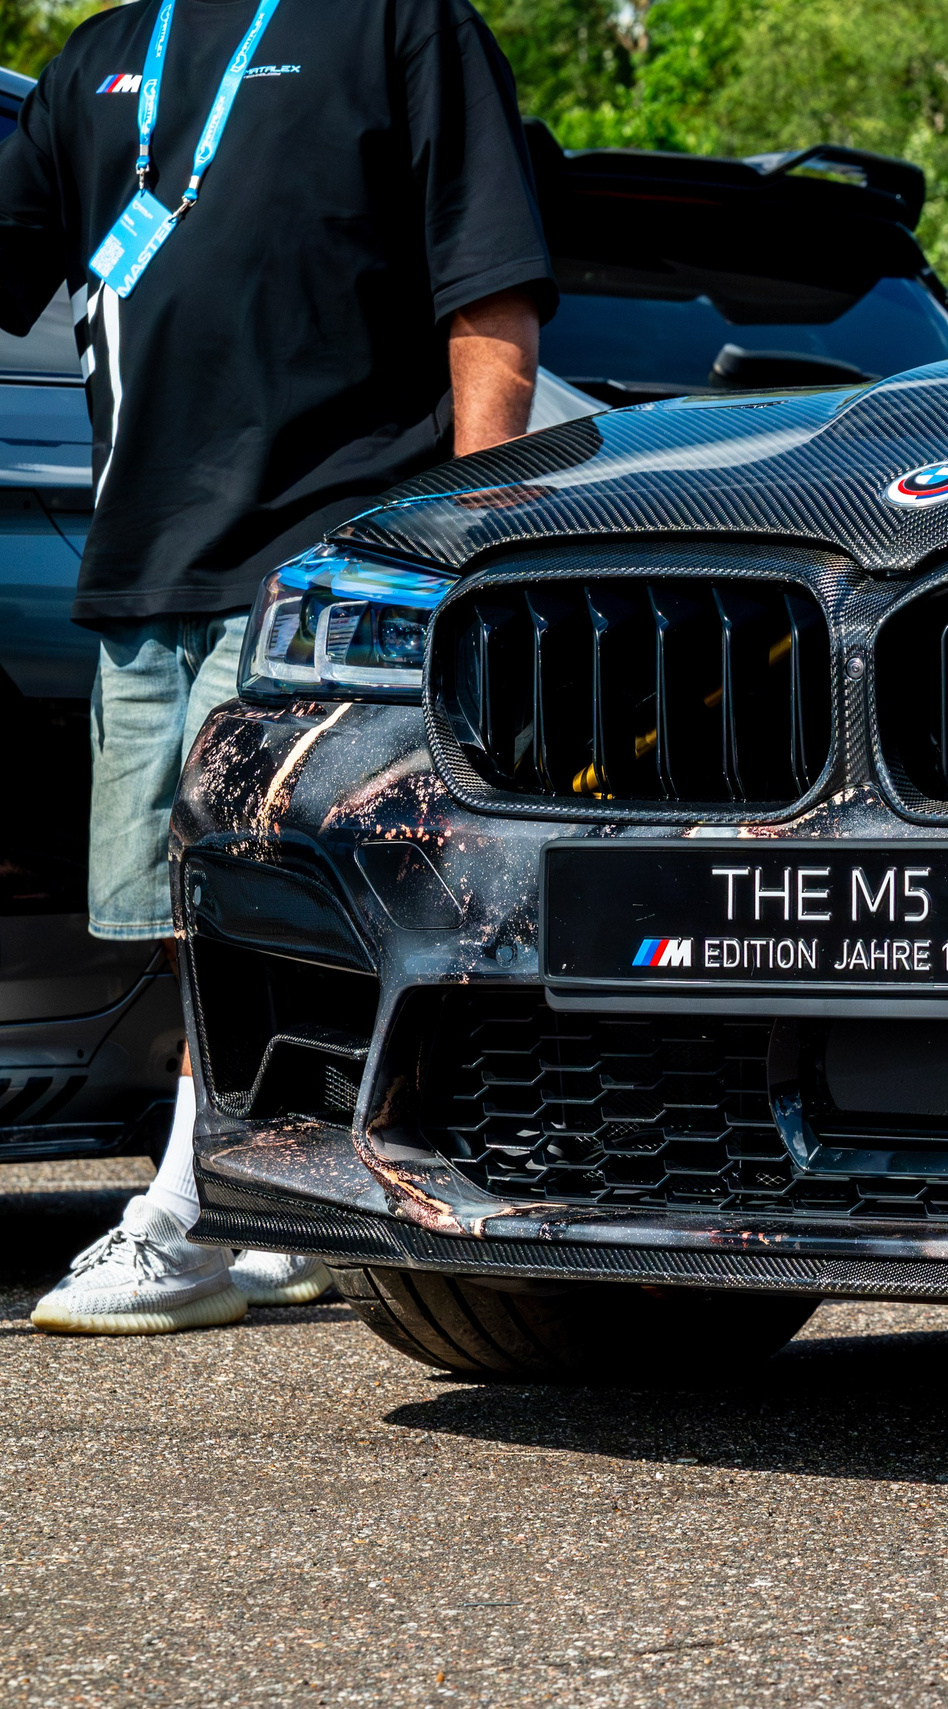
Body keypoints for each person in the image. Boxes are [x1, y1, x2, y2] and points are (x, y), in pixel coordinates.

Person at [0, 0, 553, 1333]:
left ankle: (184, 1218)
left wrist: (461, 551)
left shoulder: (394, 24)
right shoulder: (98, 60)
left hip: (325, 559)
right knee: (184, 917)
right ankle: (270, 1205)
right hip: (146, 567)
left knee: (266, 900)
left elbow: (488, 292)